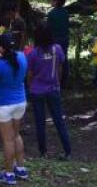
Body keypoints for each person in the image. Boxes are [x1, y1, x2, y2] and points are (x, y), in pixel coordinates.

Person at [0, 33, 28, 185]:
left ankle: (9, 173)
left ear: (1, 47)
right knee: (16, 135)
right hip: (20, 101)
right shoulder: (22, 57)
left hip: (3, 104)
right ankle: (21, 168)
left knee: (7, 140)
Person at [27, 24, 71, 160]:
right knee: (59, 120)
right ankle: (67, 151)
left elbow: (29, 74)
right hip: (53, 89)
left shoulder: (33, 53)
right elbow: (60, 68)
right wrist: (58, 83)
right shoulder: (57, 49)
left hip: (37, 91)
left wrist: (30, 87)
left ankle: (43, 152)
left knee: (40, 122)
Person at [48, 0, 70, 88]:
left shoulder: (51, 13)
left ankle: (55, 81)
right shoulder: (66, 12)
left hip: (55, 39)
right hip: (65, 38)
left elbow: (48, 28)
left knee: (54, 60)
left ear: (56, 1)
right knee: (64, 59)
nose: (50, 1)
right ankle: (64, 81)